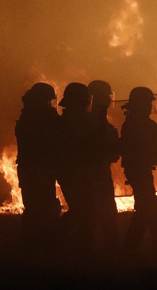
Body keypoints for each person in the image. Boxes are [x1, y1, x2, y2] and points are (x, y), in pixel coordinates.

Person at [120, 87, 157, 257]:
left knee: (152, 206)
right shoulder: (143, 124)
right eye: (147, 103)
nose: (149, 106)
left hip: (136, 169)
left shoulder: (131, 122)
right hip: (139, 170)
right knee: (146, 208)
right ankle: (131, 248)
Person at [15, 82, 61, 254]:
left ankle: (33, 246)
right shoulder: (38, 120)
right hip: (38, 169)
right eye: (47, 101)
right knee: (42, 208)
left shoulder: (27, 118)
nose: (49, 105)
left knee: (35, 208)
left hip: (30, 170)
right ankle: (41, 246)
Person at [55, 82, 96, 260]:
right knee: (85, 211)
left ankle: (80, 250)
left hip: (74, 173)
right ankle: (58, 241)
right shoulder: (72, 123)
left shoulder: (69, 121)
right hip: (73, 174)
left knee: (86, 212)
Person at [87, 80, 120, 257]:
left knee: (100, 212)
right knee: (99, 212)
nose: (108, 100)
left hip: (97, 171)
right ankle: (108, 252)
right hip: (94, 172)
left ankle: (107, 250)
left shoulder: (96, 120)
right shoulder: (92, 122)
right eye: (105, 97)